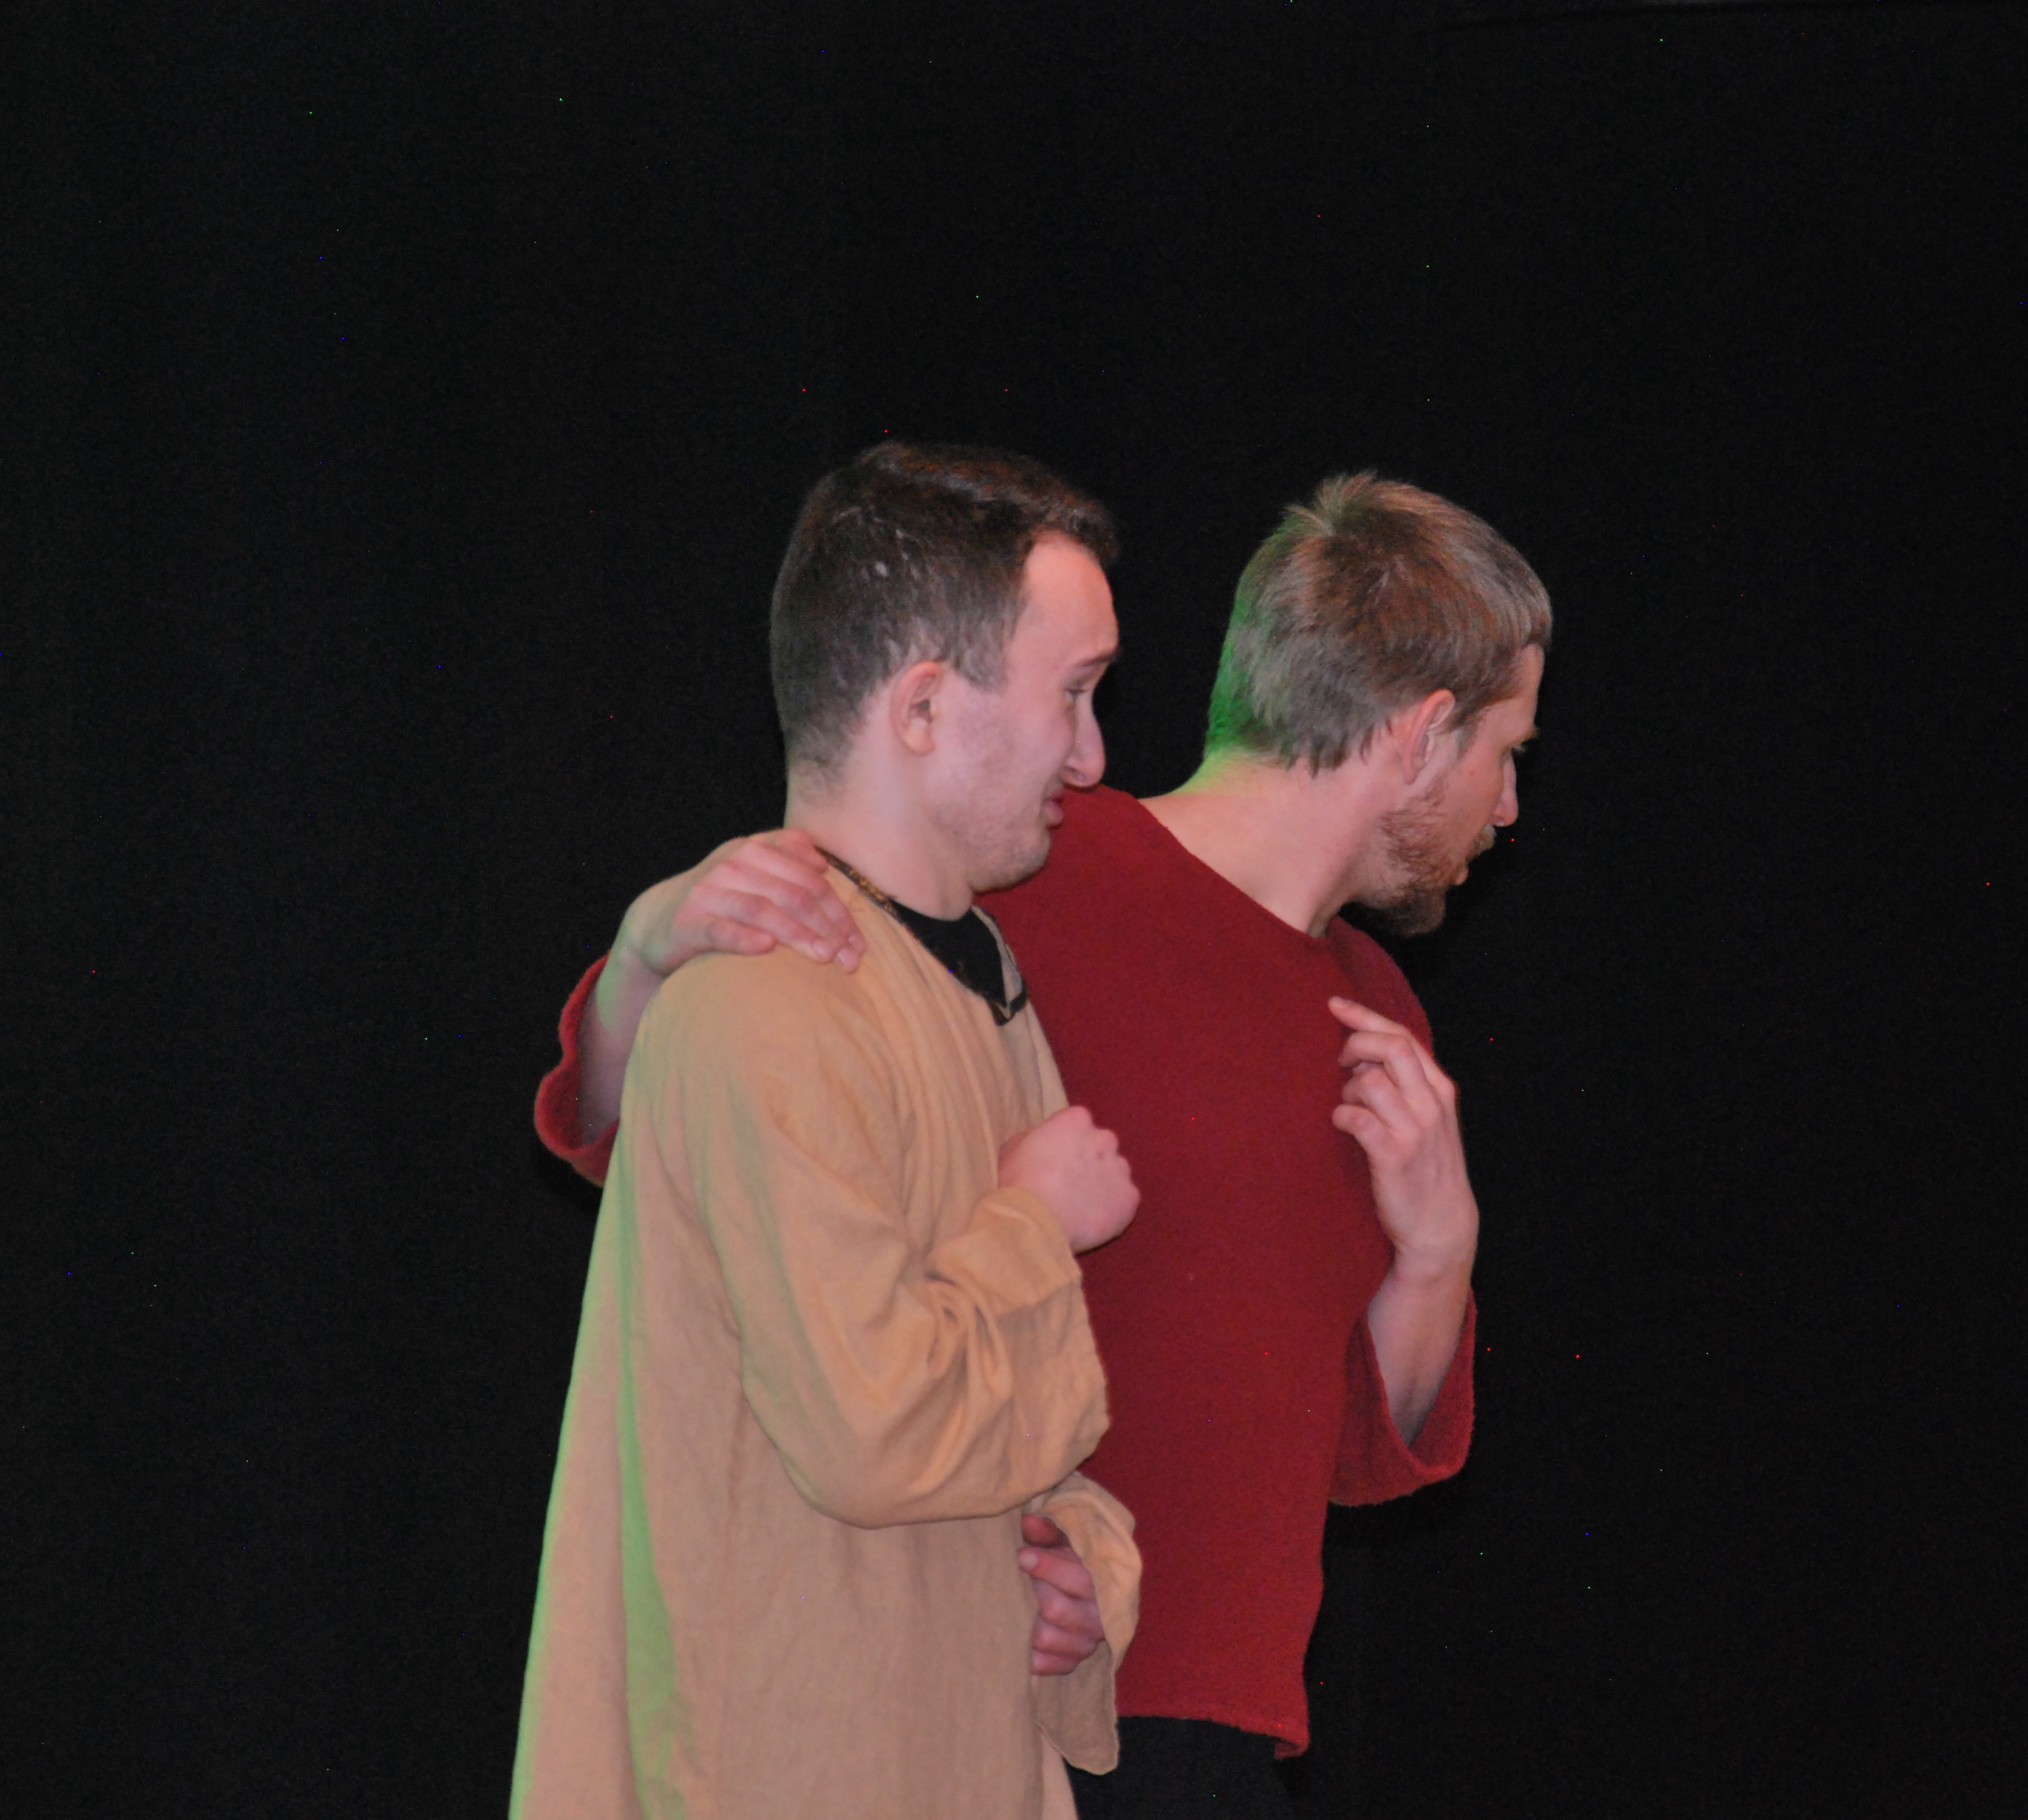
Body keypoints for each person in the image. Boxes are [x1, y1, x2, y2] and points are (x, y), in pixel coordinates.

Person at [536, 473, 1550, 1816]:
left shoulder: (1375, 1013)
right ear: (1422, 734)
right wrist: (644, 955)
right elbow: (692, 1141)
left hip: (1208, 1726)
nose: (1509, 806)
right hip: (979, 1702)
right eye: (1507, 752)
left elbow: (1353, 1456)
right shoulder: (1033, 872)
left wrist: (1438, 1252)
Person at [511, 442, 1150, 1820]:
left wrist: (1082, 1572)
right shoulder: (768, 1001)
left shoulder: (976, 980)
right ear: (921, 706)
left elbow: (1012, 1423)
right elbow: (875, 1432)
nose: (1094, 756)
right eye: (1073, 693)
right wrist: (1034, 1225)